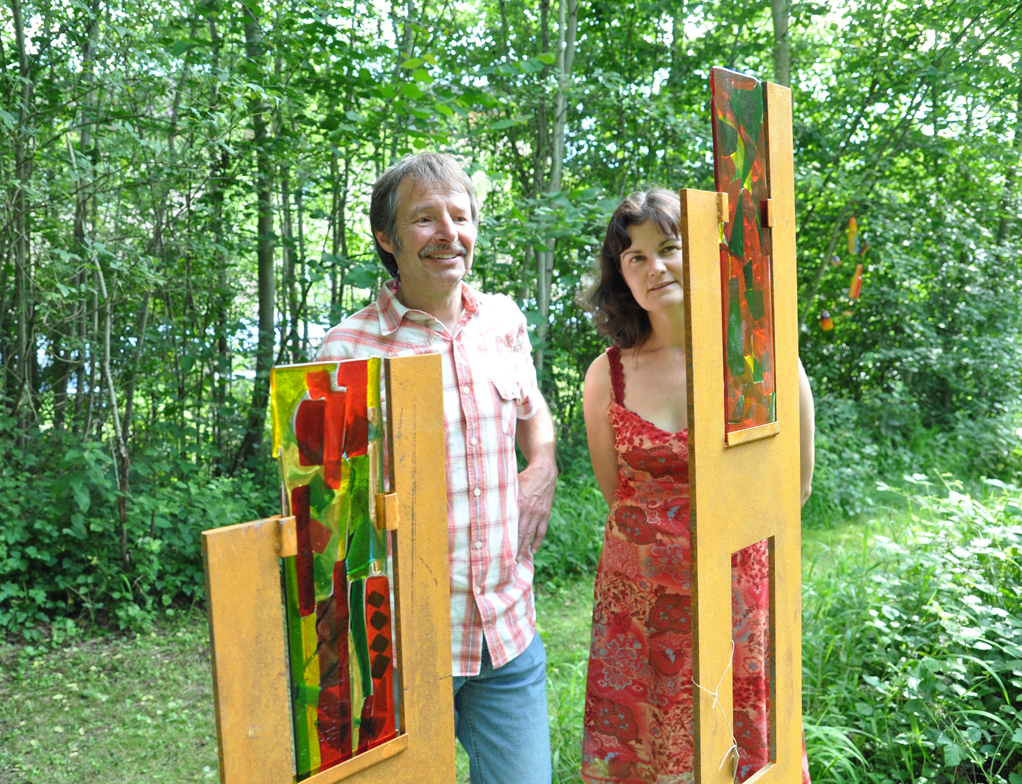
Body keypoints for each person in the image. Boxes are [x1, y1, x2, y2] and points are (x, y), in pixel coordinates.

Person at [316, 152, 558, 784]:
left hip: (507, 629)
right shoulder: (347, 348)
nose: (449, 233)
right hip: (401, 642)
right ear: (386, 237)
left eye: (460, 216)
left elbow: (532, 408)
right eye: (425, 218)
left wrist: (543, 463)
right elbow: (329, 513)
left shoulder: (503, 322)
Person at [579, 188, 814, 784]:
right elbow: (617, 494)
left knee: (744, 748)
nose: (654, 267)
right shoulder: (606, 375)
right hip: (637, 609)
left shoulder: (761, 361)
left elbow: (793, 487)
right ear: (621, 275)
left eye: (669, 247)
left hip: (737, 596)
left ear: (706, 252)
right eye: (635, 257)